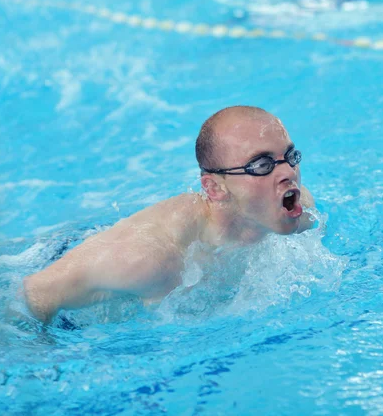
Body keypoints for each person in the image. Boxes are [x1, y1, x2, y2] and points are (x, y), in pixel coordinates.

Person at [22, 106, 315, 324]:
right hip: (57, 257)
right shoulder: (152, 260)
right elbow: (35, 292)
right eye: (261, 165)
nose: (288, 173)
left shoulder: (295, 209)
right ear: (215, 188)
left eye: (290, 157)